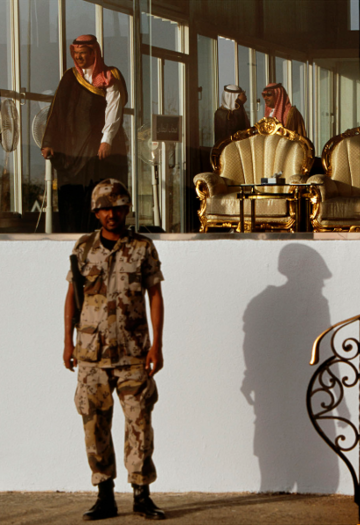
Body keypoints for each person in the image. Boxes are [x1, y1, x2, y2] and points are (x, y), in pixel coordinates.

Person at [63, 179, 166, 521]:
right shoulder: (83, 249)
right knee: (94, 425)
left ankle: (141, 493)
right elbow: (72, 297)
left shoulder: (142, 248)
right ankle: (104, 493)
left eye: (118, 206)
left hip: (134, 352)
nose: (112, 213)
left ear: (127, 209)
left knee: (140, 424)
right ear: (96, 212)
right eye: (105, 208)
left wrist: (157, 346)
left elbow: (155, 296)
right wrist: (67, 342)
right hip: (91, 353)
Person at [42, 34, 128, 234]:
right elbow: (57, 112)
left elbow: (113, 111)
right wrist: (49, 142)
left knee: (96, 196)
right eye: (76, 54)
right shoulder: (70, 77)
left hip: (97, 150)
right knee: (71, 196)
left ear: (94, 53)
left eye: (83, 54)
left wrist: (106, 140)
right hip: (71, 150)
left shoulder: (110, 76)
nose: (79, 58)